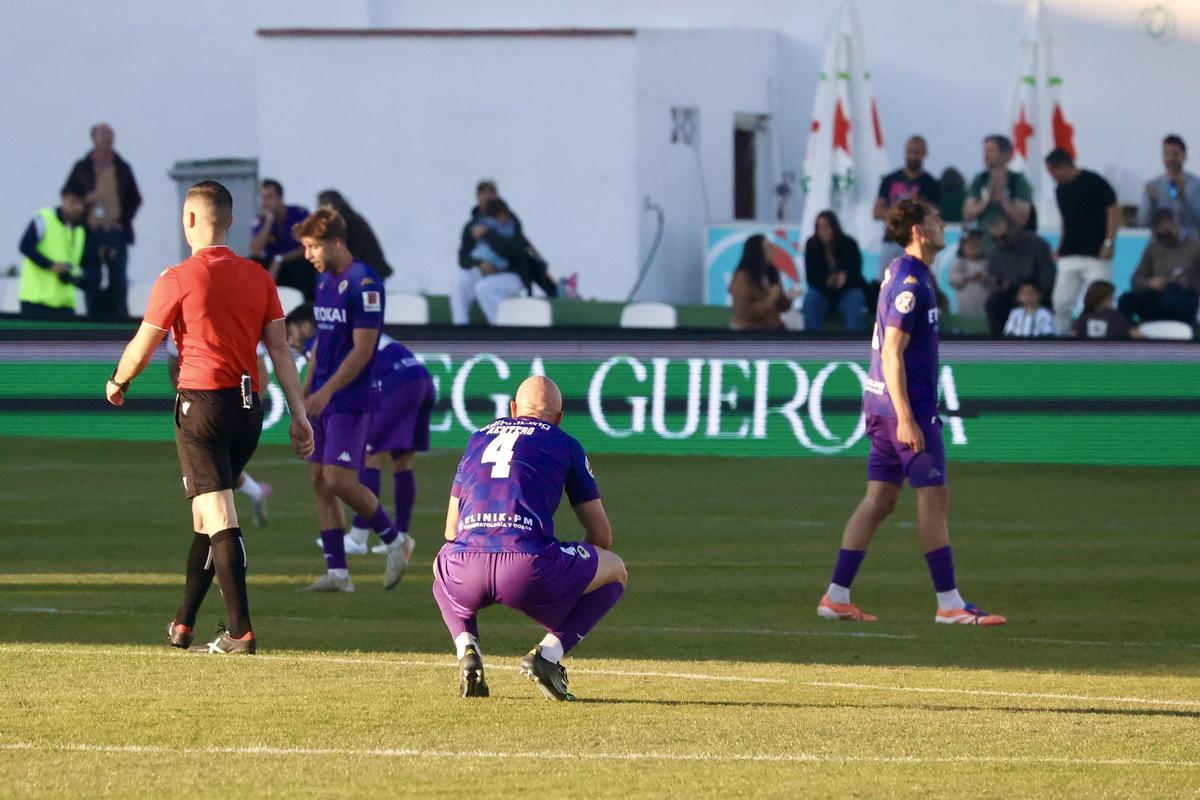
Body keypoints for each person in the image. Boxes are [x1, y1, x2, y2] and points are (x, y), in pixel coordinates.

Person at [104, 180, 314, 655]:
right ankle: (183, 624)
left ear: (190, 219)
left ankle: (240, 631)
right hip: (248, 410)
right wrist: (299, 415)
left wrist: (118, 381)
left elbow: (144, 343)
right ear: (231, 221)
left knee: (219, 514)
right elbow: (281, 352)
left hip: (200, 406)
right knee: (205, 516)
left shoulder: (177, 277)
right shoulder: (259, 277)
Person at [816, 198, 1005, 626]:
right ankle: (950, 604)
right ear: (919, 230)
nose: (943, 224)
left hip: (881, 403)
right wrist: (906, 416)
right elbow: (893, 353)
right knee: (933, 496)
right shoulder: (910, 284)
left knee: (880, 498)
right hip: (906, 407)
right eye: (936, 219)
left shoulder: (907, 273)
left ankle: (836, 596)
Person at [433, 376, 627, 700]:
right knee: (616, 569)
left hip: (465, 570)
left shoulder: (477, 438)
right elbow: (601, 536)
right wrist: (567, 577)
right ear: (560, 418)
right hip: (527, 567)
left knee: (443, 561)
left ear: (513, 409)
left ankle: (466, 648)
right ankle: (548, 656)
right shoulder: (566, 443)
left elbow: (451, 530)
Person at [294, 208, 412, 592]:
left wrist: (327, 392)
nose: (309, 255)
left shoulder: (366, 283)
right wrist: (306, 391)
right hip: (324, 397)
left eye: (313, 247)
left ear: (335, 243)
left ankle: (395, 541)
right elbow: (319, 347)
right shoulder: (325, 283)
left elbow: (363, 350)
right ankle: (338, 574)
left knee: (338, 478)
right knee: (317, 479)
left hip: (352, 397)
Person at [288, 303, 435, 556]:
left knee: (369, 455)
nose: (290, 343)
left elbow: (325, 379)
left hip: (395, 384)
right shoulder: (350, 329)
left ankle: (358, 537)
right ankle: (401, 535)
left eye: (290, 333)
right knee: (401, 461)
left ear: (305, 326)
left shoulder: (324, 337)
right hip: (420, 378)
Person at [166, 336, 273, 526]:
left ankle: (219, 531)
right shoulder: (181, 320)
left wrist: (252, 407)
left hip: (236, 409)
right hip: (201, 409)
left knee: (217, 472)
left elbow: (261, 368)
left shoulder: (240, 318)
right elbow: (174, 367)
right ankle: (255, 494)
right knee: (215, 470)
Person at [65, 123, 142, 318]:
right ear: (93, 139)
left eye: (110, 136)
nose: (107, 140)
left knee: (118, 278)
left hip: (116, 233)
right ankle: (93, 319)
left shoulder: (122, 167)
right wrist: (85, 201)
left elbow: (135, 198)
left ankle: (120, 320)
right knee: (92, 278)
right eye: (103, 136)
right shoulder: (82, 168)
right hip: (91, 233)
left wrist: (122, 220)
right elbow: (68, 195)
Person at [1045, 148, 1120, 334]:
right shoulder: (1060, 190)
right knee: (1061, 302)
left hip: (1097, 254)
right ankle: (1061, 340)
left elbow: (1113, 211)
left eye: (1052, 172)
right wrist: (1060, 246)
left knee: (1100, 301)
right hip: (1070, 254)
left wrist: (1109, 242)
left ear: (1061, 166)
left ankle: (1102, 342)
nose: (1052, 177)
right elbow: (1066, 220)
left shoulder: (1095, 182)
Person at [17, 182, 87, 318]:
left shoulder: (80, 231)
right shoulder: (44, 219)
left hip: (65, 304)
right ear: (63, 199)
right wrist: (50, 265)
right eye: (73, 202)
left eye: (80, 203)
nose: (77, 208)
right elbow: (25, 246)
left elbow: (78, 263)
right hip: (36, 301)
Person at [452, 198, 527, 325]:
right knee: (460, 280)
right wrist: (479, 264)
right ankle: (460, 325)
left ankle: (502, 327)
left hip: (512, 276)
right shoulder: (473, 228)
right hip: (486, 274)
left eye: (506, 215)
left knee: (484, 288)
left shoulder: (513, 229)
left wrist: (488, 234)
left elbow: (510, 251)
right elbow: (463, 259)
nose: (504, 219)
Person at [1118, 208, 1200, 324]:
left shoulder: (1195, 247)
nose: (1164, 239)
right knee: (1125, 299)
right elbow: (1135, 280)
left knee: (1177, 295)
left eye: (1167, 234)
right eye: (1159, 236)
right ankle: (1130, 334)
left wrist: (1189, 281)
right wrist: (1150, 283)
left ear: (1174, 223)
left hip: (1184, 297)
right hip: (1157, 295)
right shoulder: (1153, 248)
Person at [874, 136, 941, 268]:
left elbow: (934, 214)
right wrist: (905, 213)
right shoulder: (889, 180)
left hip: (918, 244)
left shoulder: (931, 184)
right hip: (891, 241)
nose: (912, 156)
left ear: (924, 154)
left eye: (916, 152)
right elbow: (876, 212)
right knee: (887, 285)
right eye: (909, 152)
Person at [983, 215, 1056, 337]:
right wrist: (999, 283)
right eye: (995, 239)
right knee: (993, 302)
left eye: (1003, 237)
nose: (1000, 242)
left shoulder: (1038, 245)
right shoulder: (996, 251)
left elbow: (1047, 279)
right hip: (1010, 294)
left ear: (1013, 230)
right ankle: (997, 341)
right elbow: (993, 279)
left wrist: (1028, 291)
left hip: (1036, 292)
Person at [963, 134, 1033, 250]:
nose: (986, 155)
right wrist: (986, 200)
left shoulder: (1018, 180)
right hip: (983, 248)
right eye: (985, 150)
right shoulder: (980, 179)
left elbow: (1023, 218)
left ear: (1005, 154)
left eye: (991, 150)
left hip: (1011, 248)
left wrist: (1003, 200)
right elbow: (967, 214)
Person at [802, 210, 867, 332]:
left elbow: (856, 272)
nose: (823, 231)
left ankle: (855, 346)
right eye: (819, 227)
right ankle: (811, 345)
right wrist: (828, 281)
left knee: (855, 298)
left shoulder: (849, 244)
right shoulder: (812, 245)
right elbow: (811, 277)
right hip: (823, 292)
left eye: (826, 226)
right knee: (811, 298)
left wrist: (845, 277)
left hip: (847, 290)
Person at [250, 179, 313, 300]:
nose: (265, 202)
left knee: (305, 263)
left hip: (293, 262)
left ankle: (305, 304)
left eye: (269, 197)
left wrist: (280, 259)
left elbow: (309, 245)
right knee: (252, 262)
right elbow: (256, 251)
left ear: (280, 198)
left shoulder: (299, 214)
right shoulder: (261, 219)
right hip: (272, 265)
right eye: (263, 197)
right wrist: (269, 221)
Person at [728, 234, 801, 330]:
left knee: (797, 318)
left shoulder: (771, 273)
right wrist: (770, 299)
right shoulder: (742, 278)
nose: (772, 251)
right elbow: (744, 313)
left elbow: (781, 307)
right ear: (756, 251)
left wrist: (789, 297)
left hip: (771, 326)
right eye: (768, 248)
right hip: (749, 329)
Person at [316, 190, 393, 281]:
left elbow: (353, 251)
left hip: (367, 271)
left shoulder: (353, 222)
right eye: (322, 206)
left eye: (329, 205)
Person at [1138, 134, 1200, 240]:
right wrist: (1152, 203)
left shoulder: (1196, 185)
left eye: (1175, 154)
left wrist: (1183, 199)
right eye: (1167, 154)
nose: (1171, 159)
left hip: (1190, 248)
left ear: (1184, 156)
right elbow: (1142, 222)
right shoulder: (1153, 186)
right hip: (1161, 248)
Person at [1073, 280, 1138, 340]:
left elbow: (1131, 332)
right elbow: (1075, 334)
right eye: (1110, 297)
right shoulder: (1085, 315)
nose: (1112, 300)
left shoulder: (1116, 315)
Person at [946, 230, 989, 317]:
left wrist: (985, 278)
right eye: (969, 244)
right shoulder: (958, 262)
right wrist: (968, 277)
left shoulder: (987, 263)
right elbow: (953, 281)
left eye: (976, 243)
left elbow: (995, 282)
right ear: (963, 246)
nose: (973, 246)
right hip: (964, 311)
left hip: (984, 310)